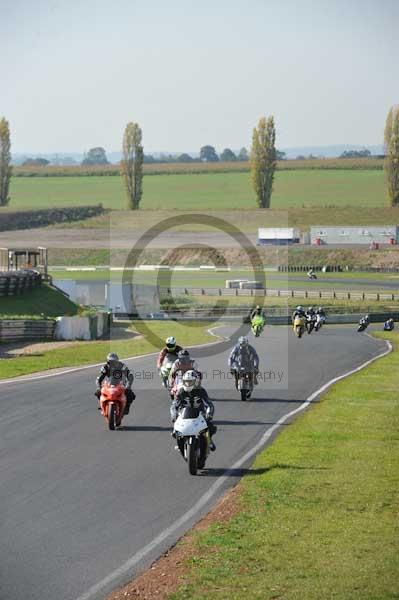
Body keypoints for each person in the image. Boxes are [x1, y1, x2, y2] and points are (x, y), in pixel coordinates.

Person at [170, 370, 217, 451]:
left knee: (210, 427)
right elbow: (174, 405)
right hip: (184, 414)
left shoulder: (201, 391)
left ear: (196, 382)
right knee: (175, 432)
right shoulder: (181, 391)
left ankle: (209, 441)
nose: (187, 384)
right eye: (186, 382)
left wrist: (209, 414)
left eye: (190, 382)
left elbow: (209, 404)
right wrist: (174, 415)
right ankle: (180, 443)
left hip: (199, 413)